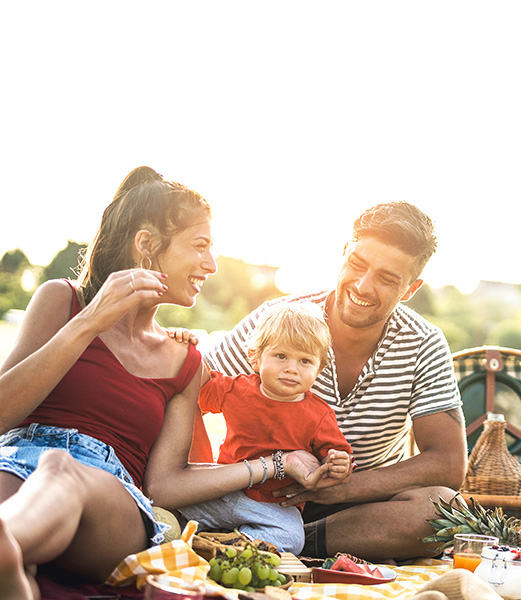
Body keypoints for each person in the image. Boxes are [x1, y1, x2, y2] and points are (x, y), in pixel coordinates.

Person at [0, 167, 335, 600]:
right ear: (146, 246)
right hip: (16, 458)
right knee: (25, 554)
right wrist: (88, 323)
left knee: (60, 470)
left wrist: (273, 464)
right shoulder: (61, 301)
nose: (212, 265)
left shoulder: (185, 361)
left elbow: (163, 486)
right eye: (200, 246)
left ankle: (8, 545)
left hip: (110, 499)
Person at [188, 201, 468, 562]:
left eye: (386, 278)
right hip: (252, 495)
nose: (364, 286)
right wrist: (197, 477)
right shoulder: (281, 320)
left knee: (443, 509)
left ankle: (287, 541)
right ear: (343, 254)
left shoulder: (424, 343)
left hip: (360, 512)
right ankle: (268, 536)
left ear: (411, 289)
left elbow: (448, 463)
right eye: (357, 264)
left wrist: (342, 489)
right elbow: (189, 391)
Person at [178, 302, 353, 554]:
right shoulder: (236, 390)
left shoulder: (319, 415)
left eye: (305, 360)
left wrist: (338, 463)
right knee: (170, 507)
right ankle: (206, 538)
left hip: (272, 506)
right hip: (223, 490)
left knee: (293, 537)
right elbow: (198, 386)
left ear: (319, 369)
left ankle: (230, 544)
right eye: (280, 356)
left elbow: (336, 455)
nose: (292, 368)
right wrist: (186, 347)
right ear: (255, 358)